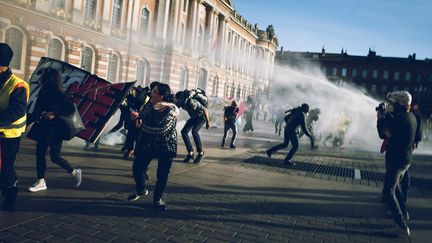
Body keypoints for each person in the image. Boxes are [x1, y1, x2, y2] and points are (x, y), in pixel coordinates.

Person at [27, 68, 82, 192]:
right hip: (48, 128)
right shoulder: (45, 90)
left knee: (42, 153)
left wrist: (54, 113)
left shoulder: (56, 92)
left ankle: (41, 181)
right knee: (54, 156)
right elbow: (36, 110)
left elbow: (70, 109)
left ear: (48, 78)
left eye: (44, 76)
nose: (41, 78)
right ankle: (74, 172)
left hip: (54, 128)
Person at [127, 83, 178, 211]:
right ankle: (141, 190)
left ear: (161, 96)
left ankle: (157, 199)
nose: (151, 93)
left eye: (154, 92)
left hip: (166, 145)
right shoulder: (149, 104)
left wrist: (142, 126)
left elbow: (161, 131)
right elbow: (141, 120)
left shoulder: (171, 111)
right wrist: (136, 118)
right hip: (148, 142)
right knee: (137, 168)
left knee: (162, 175)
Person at [377, 91, 417, 236]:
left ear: (400, 104)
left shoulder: (399, 119)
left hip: (397, 160)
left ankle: (401, 224)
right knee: (396, 187)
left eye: (393, 103)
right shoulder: (410, 116)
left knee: (388, 191)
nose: (390, 105)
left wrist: (381, 118)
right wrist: (387, 116)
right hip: (406, 160)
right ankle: (404, 212)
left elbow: (383, 134)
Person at [0, 43, 30, 210]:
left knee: (5, 169)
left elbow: (17, 111)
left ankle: (11, 190)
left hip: (9, 136)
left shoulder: (18, 84)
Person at [175, 90, 211, 164]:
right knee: (184, 132)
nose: (177, 101)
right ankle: (190, 153)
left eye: (178, 99)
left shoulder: (192, 102)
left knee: (194, 132)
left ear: (181, 98)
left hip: (201, 118)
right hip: (194, 118)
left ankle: (201, 153)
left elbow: (205, 110)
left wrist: (208, 122)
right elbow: (174, 109)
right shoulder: (181, 103)